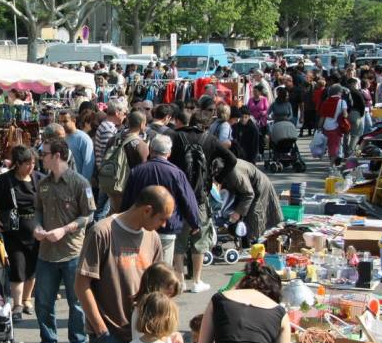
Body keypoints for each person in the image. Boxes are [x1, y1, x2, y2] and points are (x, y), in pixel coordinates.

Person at [75, 185, 171, 343]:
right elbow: (82, 284)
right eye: (162, 218)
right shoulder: (102, 231)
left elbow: (158, 289)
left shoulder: (153, 238)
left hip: (141, 335)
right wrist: (100, 328)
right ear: (147, 210)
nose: (164, 224)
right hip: (108, 334)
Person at [34, 138, 96, 343]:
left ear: (57, 156)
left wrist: (66, 229)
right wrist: (38, 227)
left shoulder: (80, 183)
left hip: (72, 252)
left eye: (45, 154)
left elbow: (88, 215)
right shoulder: (43, 184)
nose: (42, 158)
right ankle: (48, 341)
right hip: (46, 253)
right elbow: (37, 211)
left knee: (76, 302)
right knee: (43, 301)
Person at [163, 110, 236, 293]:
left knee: (179, 239)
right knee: (200, 239)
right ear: (205, 124)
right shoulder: (209, 139)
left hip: (177, 196)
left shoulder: (175, 136)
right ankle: (196, 280)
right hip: (200, 196)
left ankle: (179, 279)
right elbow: (231, 159)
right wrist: (217, 175)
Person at [121, 135, 200, 267]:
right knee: (162, 269)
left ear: (151, 150)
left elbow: (128, 199)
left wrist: (123, 221)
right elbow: (188, 200)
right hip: (166, 227)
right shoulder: (176, 173)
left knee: (141, 266)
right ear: (169, 153)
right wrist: (195, 222)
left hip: (141, 226)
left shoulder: (137, 171)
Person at [0, 145, 44, 317]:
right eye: (27, 163)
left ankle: (28, 299)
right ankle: (17, 303)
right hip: (13, 227)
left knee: (32, 266)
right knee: (17, 265)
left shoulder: (39, 179)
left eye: (33, 163)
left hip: (35, 227)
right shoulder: (5, 180)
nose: (31, 167)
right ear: (17, 164)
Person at [213, 159, 283, 247]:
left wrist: (238, 213)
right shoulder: (225, 169)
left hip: (258, 188)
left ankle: (252, 246)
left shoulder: (234, 173)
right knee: (244, 217)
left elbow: (248, 194)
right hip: (247, 189)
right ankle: (248, 243)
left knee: (254, 217)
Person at [59, 110, 95, 181]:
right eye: (60, 121)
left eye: (65, 121)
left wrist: (82, 184)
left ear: (74, 120)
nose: (62, 124)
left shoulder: (83, 139)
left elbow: (88, 164)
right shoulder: (61, 137)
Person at [319, 84, 348, 165]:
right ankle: (332, 165)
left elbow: (322, 117)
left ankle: (332, 162)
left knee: (330, 145)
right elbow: (345, 115)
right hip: (336, 127)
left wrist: (319, 127)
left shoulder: (325, 102)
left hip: (326, 127)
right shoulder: (342, 102)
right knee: (335, 146)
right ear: (339, 92)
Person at [248, 86, 270, 158]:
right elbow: (247, 109)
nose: (254, 93)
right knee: (253, 137)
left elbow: (267, 110)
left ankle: (261, 151)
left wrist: (262, 113)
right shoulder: (250, 100)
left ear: (260, 92)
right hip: (252, 121)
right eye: (253, 91)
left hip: (262, 121)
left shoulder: (264, 99)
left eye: (255, 91)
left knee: (261, 137)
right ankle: (254, 151)